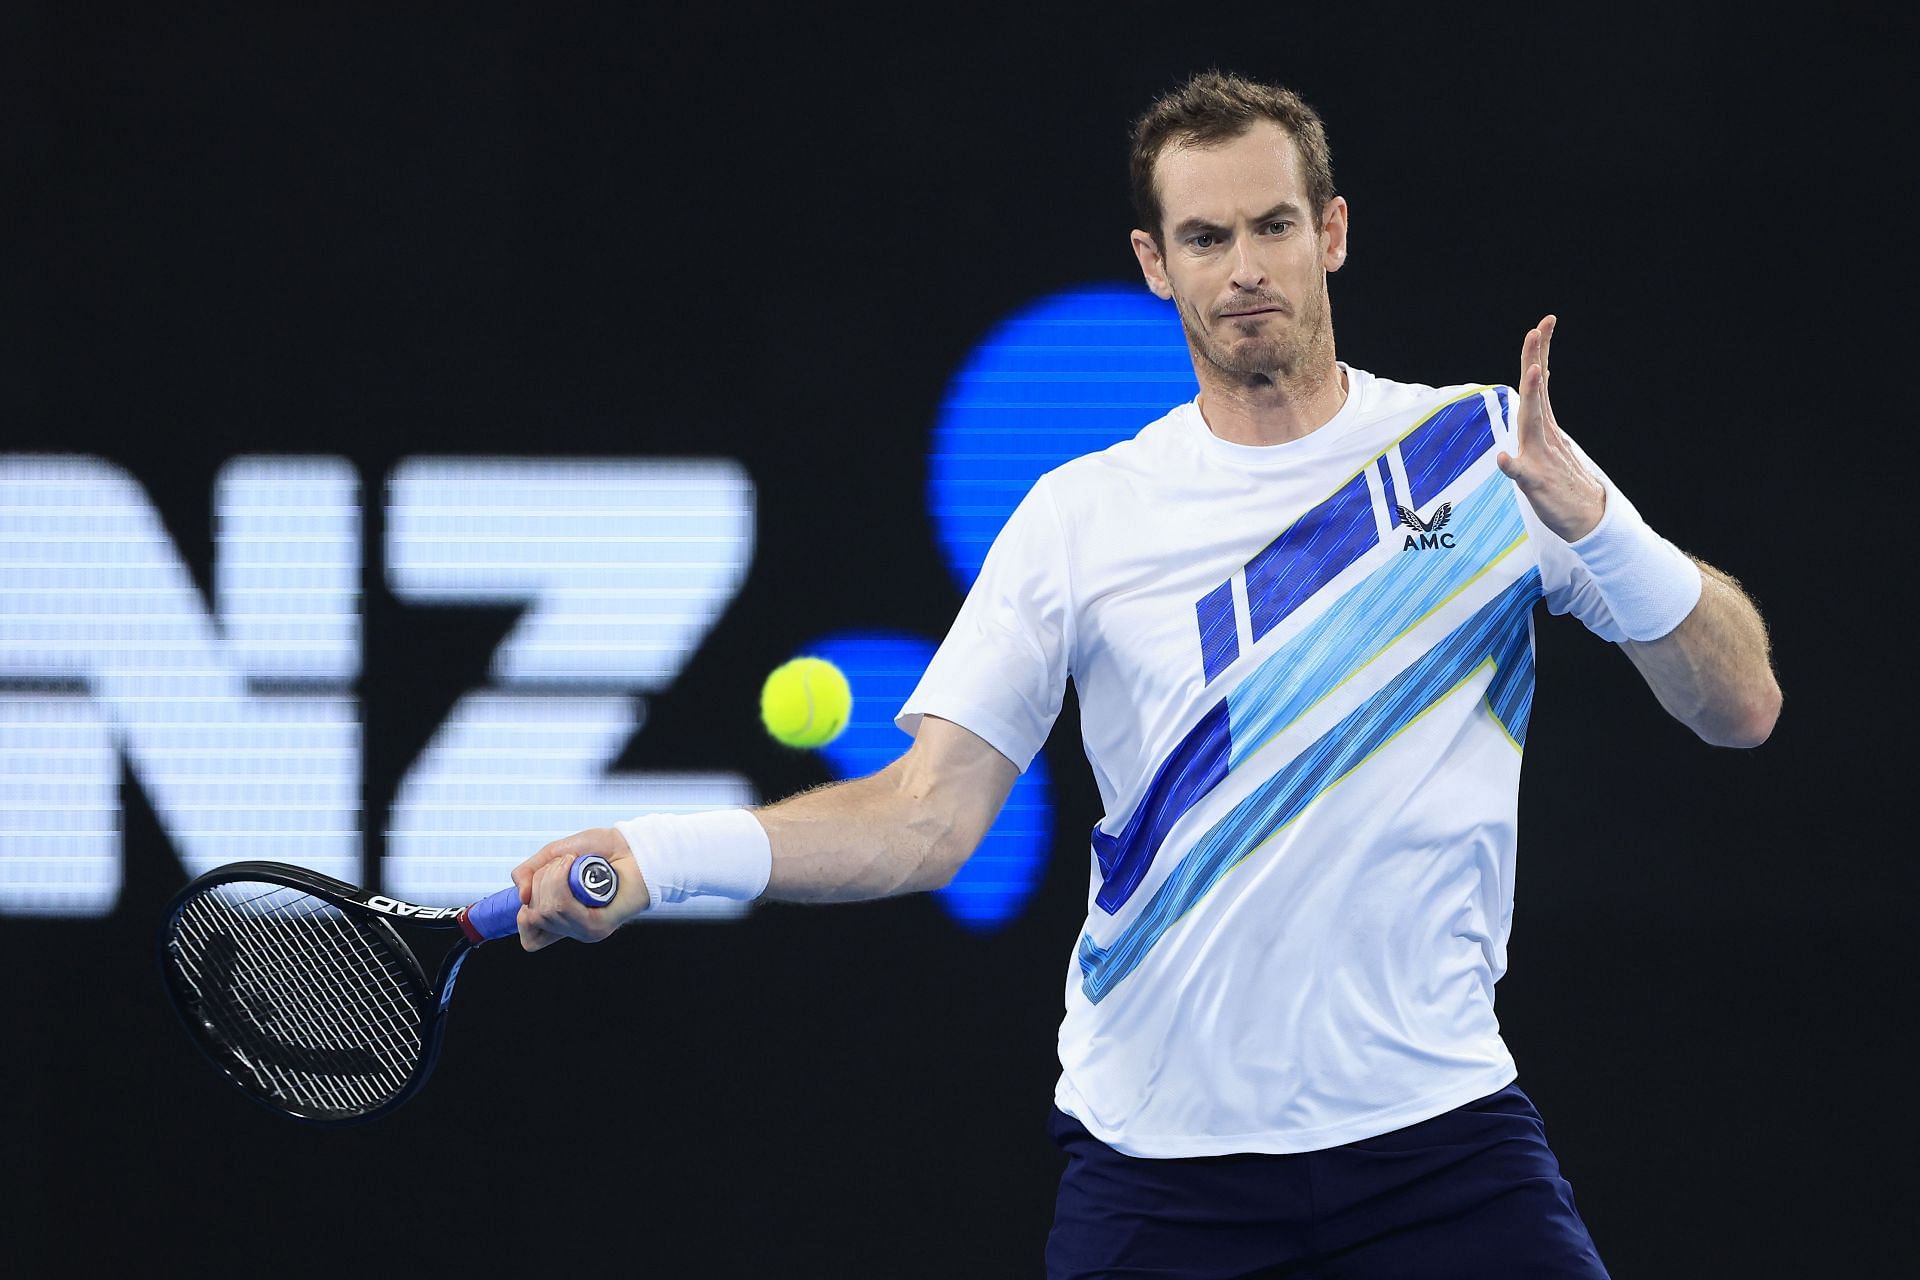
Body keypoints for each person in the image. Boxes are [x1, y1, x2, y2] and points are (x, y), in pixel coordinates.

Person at [510, 70, 1781, 1278]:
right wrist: (657, 853)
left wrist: (1601, 521)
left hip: (1439, 1137)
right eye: (1207, 236)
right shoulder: (1080, 517)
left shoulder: (1484, 452)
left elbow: (1742, 708)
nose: (1246, 269)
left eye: (1275, 225)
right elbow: (925, 819)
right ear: (1153, 263)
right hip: (1163, 1170)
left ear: (1331, 232)